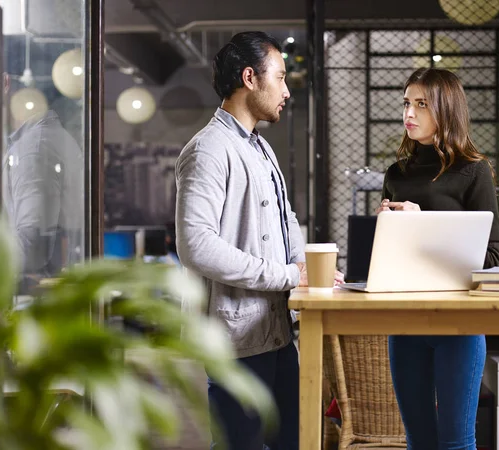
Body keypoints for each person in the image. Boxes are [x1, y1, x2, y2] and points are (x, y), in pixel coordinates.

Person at [175, 31, 343, 450]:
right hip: (235, 342)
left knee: (297, 438)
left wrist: (311, 273)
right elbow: (195, 244)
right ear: (250, 78)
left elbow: (287, 224)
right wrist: (288, 274)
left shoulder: (261, 149)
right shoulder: (208, 150)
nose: (287, 90)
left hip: (276, 333)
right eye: (281, 77)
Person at [376, 68, 499, 450]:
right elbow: (392, 259)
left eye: (421, 105)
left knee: (455, 443)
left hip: (459, 328)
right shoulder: (396, 174)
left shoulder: (473, 171)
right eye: (406, 103)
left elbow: (493, 255)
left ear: (445, 111)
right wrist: (387, 230)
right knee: (418, 441)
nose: (408, 114)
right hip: (404, 324)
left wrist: (422, 223)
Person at [2, 74, 84, 294]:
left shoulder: (32, 150)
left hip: (37, 301)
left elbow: (33, 247)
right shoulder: (42, 141)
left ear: (5, 83)